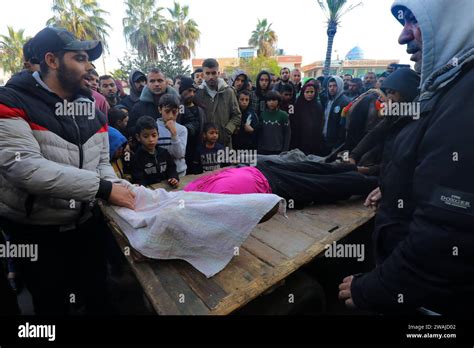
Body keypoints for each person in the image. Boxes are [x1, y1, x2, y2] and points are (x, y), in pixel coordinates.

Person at [339, 0, 474, 316]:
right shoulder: (445, 90)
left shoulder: (466, 95)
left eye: (415, 21)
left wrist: (375, 289)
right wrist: (395, 186)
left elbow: (445, 240)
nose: (403, 37)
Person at [0, 27, 135, 315]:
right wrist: (104, 189)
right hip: (37, 234)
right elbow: (24, 168)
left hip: (86, 225)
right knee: (52, 305)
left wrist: (117, 187)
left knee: (99, 295)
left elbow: (101, 164)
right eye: (80, 58)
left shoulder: (93, 109)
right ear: (52, 60)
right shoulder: (11, 101)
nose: (89, 68)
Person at [194, 58, 241, 148]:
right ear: (203, 75)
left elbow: (237, 115)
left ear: (218, 73)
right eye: (207, 73)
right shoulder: (198, 93)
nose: (211, 77)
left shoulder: (228, 92)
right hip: (204, 145)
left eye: (213, 73)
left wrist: (227, 131)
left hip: (225, 142)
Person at [131, 116, 179, 187]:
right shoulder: (137, 158)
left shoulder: (164, 152)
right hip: (149, 192)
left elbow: (172, 169)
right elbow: (139, 180)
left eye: (154, 135)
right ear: (138, 137)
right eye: (146, 136)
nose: (151, 139)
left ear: (158, 135)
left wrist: (174, 178)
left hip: (167, 189)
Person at [128, 68, 178, 135]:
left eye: (160, 80)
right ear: (147, 84)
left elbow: (190, 122)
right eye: (152, 81)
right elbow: (131, 129)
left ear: (166, 83)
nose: (156, 84)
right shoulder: (138, 107)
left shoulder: (178, 103)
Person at [178, 76, 206, 173]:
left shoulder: (200, 110)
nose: (191, 94)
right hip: (181, 151)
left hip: (196, 151)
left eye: (194, 91)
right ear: (182, 91)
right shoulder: (177, 108)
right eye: (189, 90)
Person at [156, 94, 188, 177]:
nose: (170, 116)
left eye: (174, 112)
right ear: (160, 109)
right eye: (167, 111)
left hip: (179, 172)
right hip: (161, 173)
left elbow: (179, 154)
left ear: (178, 111)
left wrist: (174, 134)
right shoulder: (154, 128)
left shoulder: (182, 129)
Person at [290, 79, 324, 155]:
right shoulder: (297, 106)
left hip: (313, 140)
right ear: (303, 93)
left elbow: (320, 124)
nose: (309, 94)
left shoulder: (318, 107)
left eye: (312, 92)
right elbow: (293, 123)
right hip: (299, 140)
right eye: (307, 92)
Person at [321, 75, 351, 155]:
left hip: (336, 143)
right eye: (330, 86)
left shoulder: (344, 102)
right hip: (326, 139)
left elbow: (343, 126)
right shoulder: (329, 100)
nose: (332, 88)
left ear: (340, 86)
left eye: (334, 86)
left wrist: (338, 144)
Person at [257, 90, 291, 155]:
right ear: (266, 102)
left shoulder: (284, 115)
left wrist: (285, 150)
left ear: (278, 101)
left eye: (274, 100)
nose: (271, 102)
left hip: (278, 150)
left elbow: (287, 134)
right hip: (264, 149)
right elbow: (260, 133)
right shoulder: (263, 114)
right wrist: (259, 147)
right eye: (269, 100)